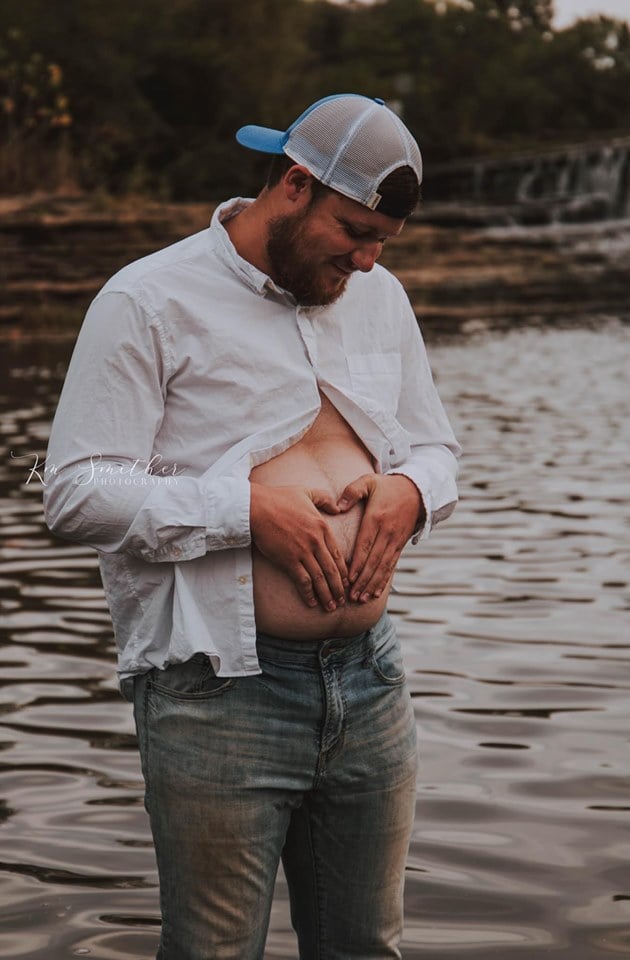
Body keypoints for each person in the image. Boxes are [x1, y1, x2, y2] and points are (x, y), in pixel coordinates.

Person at [43, 93, 461, 960]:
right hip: (218, 695)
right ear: (295, 186)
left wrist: (412, 490)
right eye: (354, 232)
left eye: (384, 242)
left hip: (371, 681)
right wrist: (244, 511)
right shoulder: (148, 300)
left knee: (365, 949)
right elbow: (76, 491)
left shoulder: (376, 296)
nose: (370, 260)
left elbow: (433, 443)